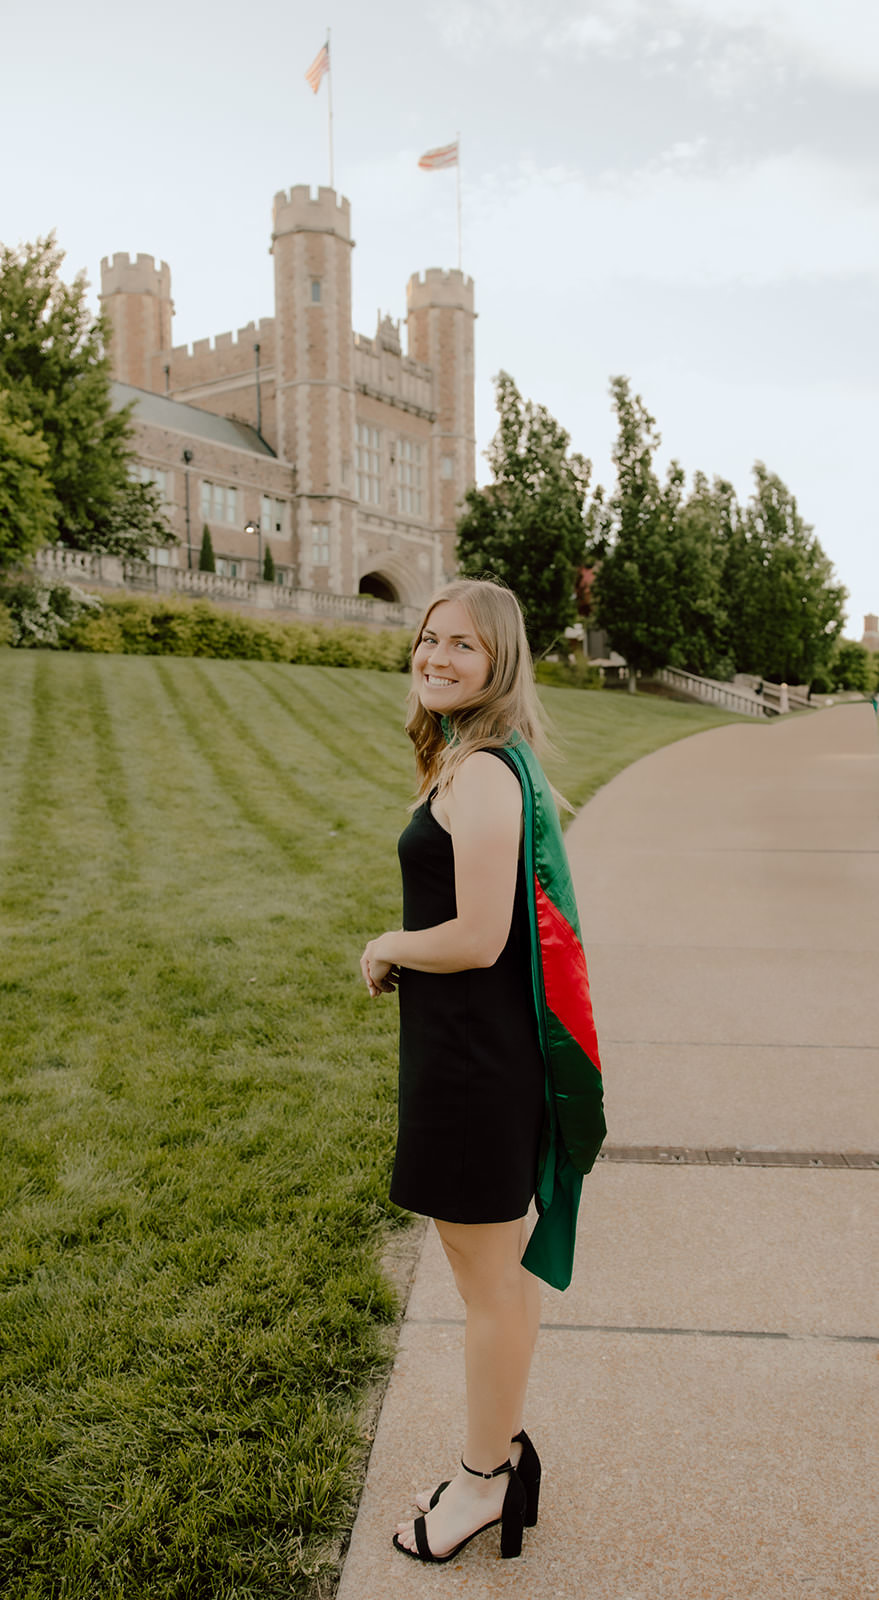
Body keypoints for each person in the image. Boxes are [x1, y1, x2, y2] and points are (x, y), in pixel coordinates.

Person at [360, 577, 605, 1565]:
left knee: (489, 1286)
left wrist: (387, 943)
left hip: (472, 1069)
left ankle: (481, 1483)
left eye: (462, 644)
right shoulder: (482, 763)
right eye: (428, 639)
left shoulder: (484, 775)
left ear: (499, 660)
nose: (437, 656)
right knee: (495, 1280)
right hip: (469, 1056)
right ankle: (495, 1459)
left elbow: (478, 935)